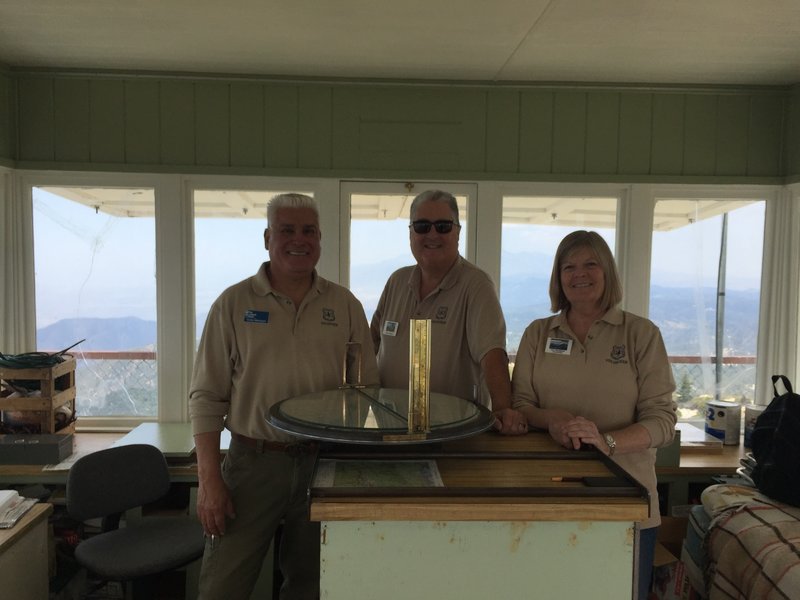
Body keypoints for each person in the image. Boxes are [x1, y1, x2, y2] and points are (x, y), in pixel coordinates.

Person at [189, 193, 378, 599]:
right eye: (287, 230)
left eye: (308, 231)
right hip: (252, 465)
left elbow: (365, 393)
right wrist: (209, 480)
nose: (299, 240)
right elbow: (206, 396)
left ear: (320, 238)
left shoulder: (344, 305)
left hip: (324, 463)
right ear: (267, 238)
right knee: (223, 584)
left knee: (313, 585)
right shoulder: (233, 304)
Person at [511, 230, 676, 599]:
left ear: (608, 272)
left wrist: (607, 442)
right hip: (546, 496)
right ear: (558, 277)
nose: (578, 274)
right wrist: (551, 418)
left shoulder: (641, 334)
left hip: (627, 501)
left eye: (590, 264)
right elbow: (520, 404)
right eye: (568, 266)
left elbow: (663, 420)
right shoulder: (537, 334)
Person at [371, 189, 526, 435]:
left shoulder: (476, 285)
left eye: (442, 226)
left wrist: (502, 410)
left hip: (453, 435)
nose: (432, 234)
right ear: (410, 233)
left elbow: (492, 356)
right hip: (390, 431)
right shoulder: (396, 282)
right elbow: (371, 343)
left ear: (457, 232)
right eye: (422, 226)